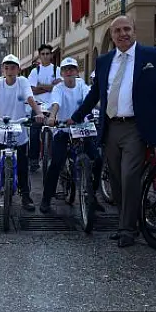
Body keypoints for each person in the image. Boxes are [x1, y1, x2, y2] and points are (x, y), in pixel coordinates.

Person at [71, 15, 156, 248]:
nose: (122, 34)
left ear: (134, 31)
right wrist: (75, 116)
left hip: (137, 127)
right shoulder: (104, 61)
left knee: (129, 176)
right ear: (112, 36)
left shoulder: (152, 56)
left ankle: (127, 229)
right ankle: (125, 223)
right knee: (115, 179)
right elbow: (96, 93)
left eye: (127, 29)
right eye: (117, 31)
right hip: (111, 126)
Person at [0, 54, 45, 212]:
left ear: (18, 69)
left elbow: (30, 98)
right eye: (6, 67)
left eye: (13, 67)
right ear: (3, 69)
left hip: (19, 128)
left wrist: (39, 113)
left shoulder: (23, 82)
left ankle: (26, 196)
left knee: (23, 164)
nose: (9, 70)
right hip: (1, 129)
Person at [40, 57, 98, 213]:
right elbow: (56, 104)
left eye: (72, 69)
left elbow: (91, 101)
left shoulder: (82, 86)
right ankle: (46, 198)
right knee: (56, 162)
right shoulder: (58, 88)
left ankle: (93, 197)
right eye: (66, 70)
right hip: (63, 129)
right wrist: (52, 117)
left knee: (97, 159)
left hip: (81, 129)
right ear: (62, 73)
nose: (69, 72)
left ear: (76, 72)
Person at [28, 44, 62, 172]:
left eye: (48, 53)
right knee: (34, 132)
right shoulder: (34, 71)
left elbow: (59, 88)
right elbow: (32, 91)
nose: (45, 56)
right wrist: (50, 86)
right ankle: (33, 160)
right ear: (40, 56)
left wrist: (41, 85)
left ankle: (56, 160)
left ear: (51, 55)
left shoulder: (57, 70)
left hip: (53, 106)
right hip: (38, 106)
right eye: (43, 54)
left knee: (58, 133)